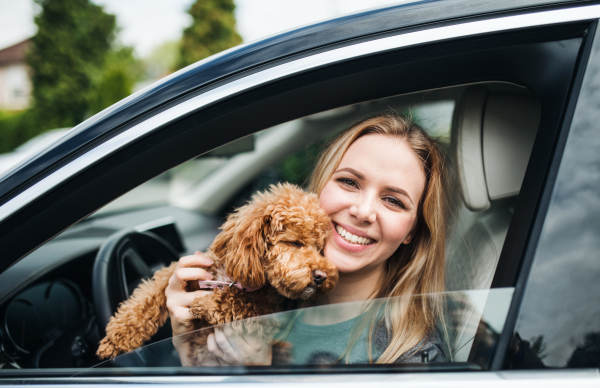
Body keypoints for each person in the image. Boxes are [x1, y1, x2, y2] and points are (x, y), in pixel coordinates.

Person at [165, 114, 450, 366]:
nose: (363, 212)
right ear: (319, 188)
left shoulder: (414, 358)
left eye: (393, 200)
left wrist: (261, 375)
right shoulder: (263, 290)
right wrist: (188, 348)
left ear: (411, 231)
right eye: (349, 182)